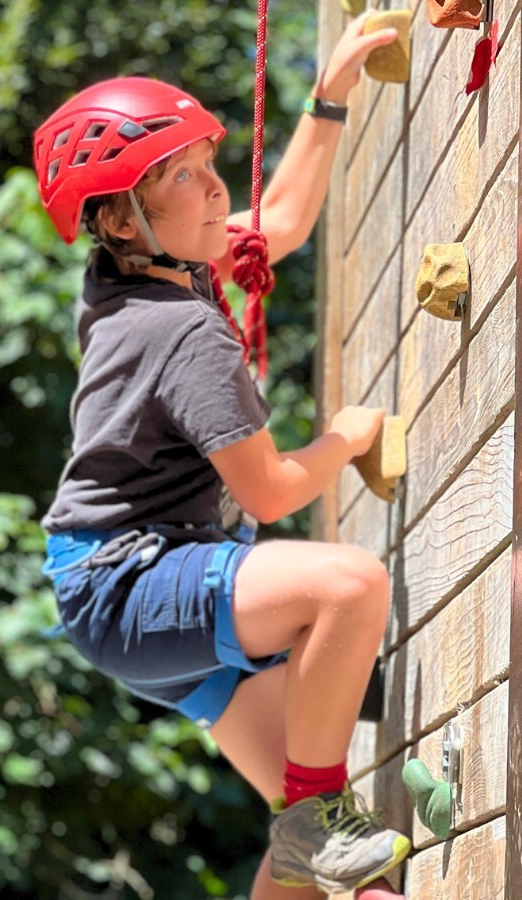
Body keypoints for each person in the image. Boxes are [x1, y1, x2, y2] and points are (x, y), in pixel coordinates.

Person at [35, 15, 409, 899]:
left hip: (123, 587)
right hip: (131, 581)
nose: (213, 190)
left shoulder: (144, 278)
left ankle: (312, 838)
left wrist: (330, 95)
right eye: (185, 177)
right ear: (126, 215)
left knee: (319, 851)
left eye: (209, 164)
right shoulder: (181, 331)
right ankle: (318, 823)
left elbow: (277, 220)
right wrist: (347, 438)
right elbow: (274, 492)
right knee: (350, 587)